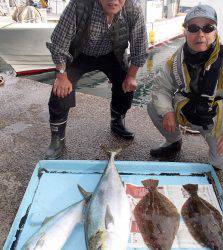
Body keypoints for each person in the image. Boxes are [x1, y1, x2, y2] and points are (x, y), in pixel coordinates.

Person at [147, 4, 223, 170]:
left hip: (216, 121)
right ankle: (174, 142)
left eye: (208, 28)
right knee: (154, 107)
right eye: (193, 28)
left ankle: (221, 151)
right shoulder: (175, 59)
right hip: (188, 111)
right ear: (185, 32)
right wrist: (167, 112)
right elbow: (160, 88)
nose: (200, 34)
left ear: (215, 32)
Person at [45, 0, 147, 159]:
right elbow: (59, 44)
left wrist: (131, 76)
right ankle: (58, 138)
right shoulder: (78, 5)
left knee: (125, 85)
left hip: (112, 53)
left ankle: (117, 121)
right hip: (80, 54)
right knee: (61, 90)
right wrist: (62, 75)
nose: (113, 1)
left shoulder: (133, 9)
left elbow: (139, 46)